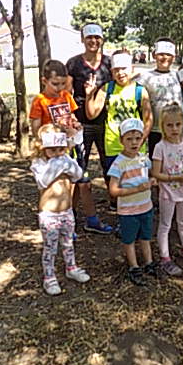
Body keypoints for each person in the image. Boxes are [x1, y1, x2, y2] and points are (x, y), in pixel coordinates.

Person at [30, 60, 113, 235]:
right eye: (55, 84)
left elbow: (72, 116)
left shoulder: (66, 96)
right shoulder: (39, 101)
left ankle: (90, 220)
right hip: (52, 154)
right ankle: (62, 222)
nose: (60, 88)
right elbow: (36, 130)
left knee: (84, 181)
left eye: (63, 83)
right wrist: (55, 133)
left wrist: (76, 125)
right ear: (44, 81)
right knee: (61, 186)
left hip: (72, 148)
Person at [85, 51, 153, 210]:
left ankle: (139, 210)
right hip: (113, 145)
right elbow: (91, 114)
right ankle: (118, 210)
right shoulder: (107, 89)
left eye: (124, 68)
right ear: (111, 71)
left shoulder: (140, 90)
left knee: (137, 178)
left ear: (131, 68)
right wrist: (89, 96)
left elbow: (148, 118)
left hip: (136, 146)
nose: (120, 73)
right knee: (116, 180)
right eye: (116, 69)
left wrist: (142, 139)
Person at [65, 24, 115, 233]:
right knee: (79, 167)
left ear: (102, 39)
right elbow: (67, 92)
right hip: (81, 123)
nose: (93, 41)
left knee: (110, 165)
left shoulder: (109, 62)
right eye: (89, 37)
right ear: (82, 39)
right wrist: (69, 119)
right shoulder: (74, 63)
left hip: (106, 122)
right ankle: (72, 213)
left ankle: (115, 205)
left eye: (97, 37)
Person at [31, 124, 91, 296]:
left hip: (67, 211)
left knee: (68, 242)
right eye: (52, 150)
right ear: (42, 147)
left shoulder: (65, 159)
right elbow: (43, 181)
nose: (58, 153)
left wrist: (67, 161)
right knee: (50, 247)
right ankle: (49, 277)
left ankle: (71, 267)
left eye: (60, 149)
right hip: (49, 214)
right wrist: (58, 164)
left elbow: (78, 174)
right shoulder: (39, 164)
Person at [151, 103, 183, 276]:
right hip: (168, 193)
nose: (174, 129)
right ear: (162, 126)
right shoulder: (160, 147)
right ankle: (165, 258)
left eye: (177, 124)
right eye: (169, 125)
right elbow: (156, 173)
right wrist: (178, 178)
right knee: (165, 224)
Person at [107, 118, 159, 286]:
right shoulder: (119, 163)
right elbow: (113, 190)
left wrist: (152, 181)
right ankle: (134, 266)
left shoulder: (143, 159)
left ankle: (149, 262)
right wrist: (136, 189)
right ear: (121, 140)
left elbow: (150, 175)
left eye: (137, 138)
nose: (134, 142)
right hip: (128, 211)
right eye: (129, 139)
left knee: (146, 236)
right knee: (129, 239)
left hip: (146, 206)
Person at [136, 38, 183, 157]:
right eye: (161, 54)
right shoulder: (145, 77)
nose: (164, 57)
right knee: (157, 159)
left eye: (168, 54)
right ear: (154, 55)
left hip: (177, 128)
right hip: (156, 130)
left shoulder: (178, 75)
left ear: (174, 57)